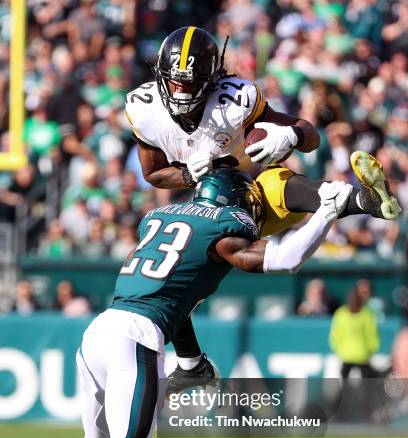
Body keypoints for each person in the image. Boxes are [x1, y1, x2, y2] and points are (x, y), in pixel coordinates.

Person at [7, 167, 349, 438]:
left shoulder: (161, 217)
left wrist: (191, 361)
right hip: (135, 337)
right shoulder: (223, 228)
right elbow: (284, 259)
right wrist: (326, 211)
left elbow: (177, 300)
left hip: (99, 331)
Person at [125, 25, 401, 391]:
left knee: (276, 183)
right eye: (175, 82)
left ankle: (365, 200)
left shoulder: (234, 99)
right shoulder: (144, 108)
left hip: (246, 190)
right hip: (200, 203)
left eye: (191, 82)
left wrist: (290, 135)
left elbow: (311, 137)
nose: (181, 91)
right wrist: (187, 175)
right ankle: (190, 361)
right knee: (170, 279)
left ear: (211, 79)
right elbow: (154, 174)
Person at [329, 288, 379, 379]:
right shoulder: (343, 314)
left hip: (355, 355)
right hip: (355, 355)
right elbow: (371, 334)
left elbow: (335, 334)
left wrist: (337, 348)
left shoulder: (365, 314)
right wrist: (372, 349)